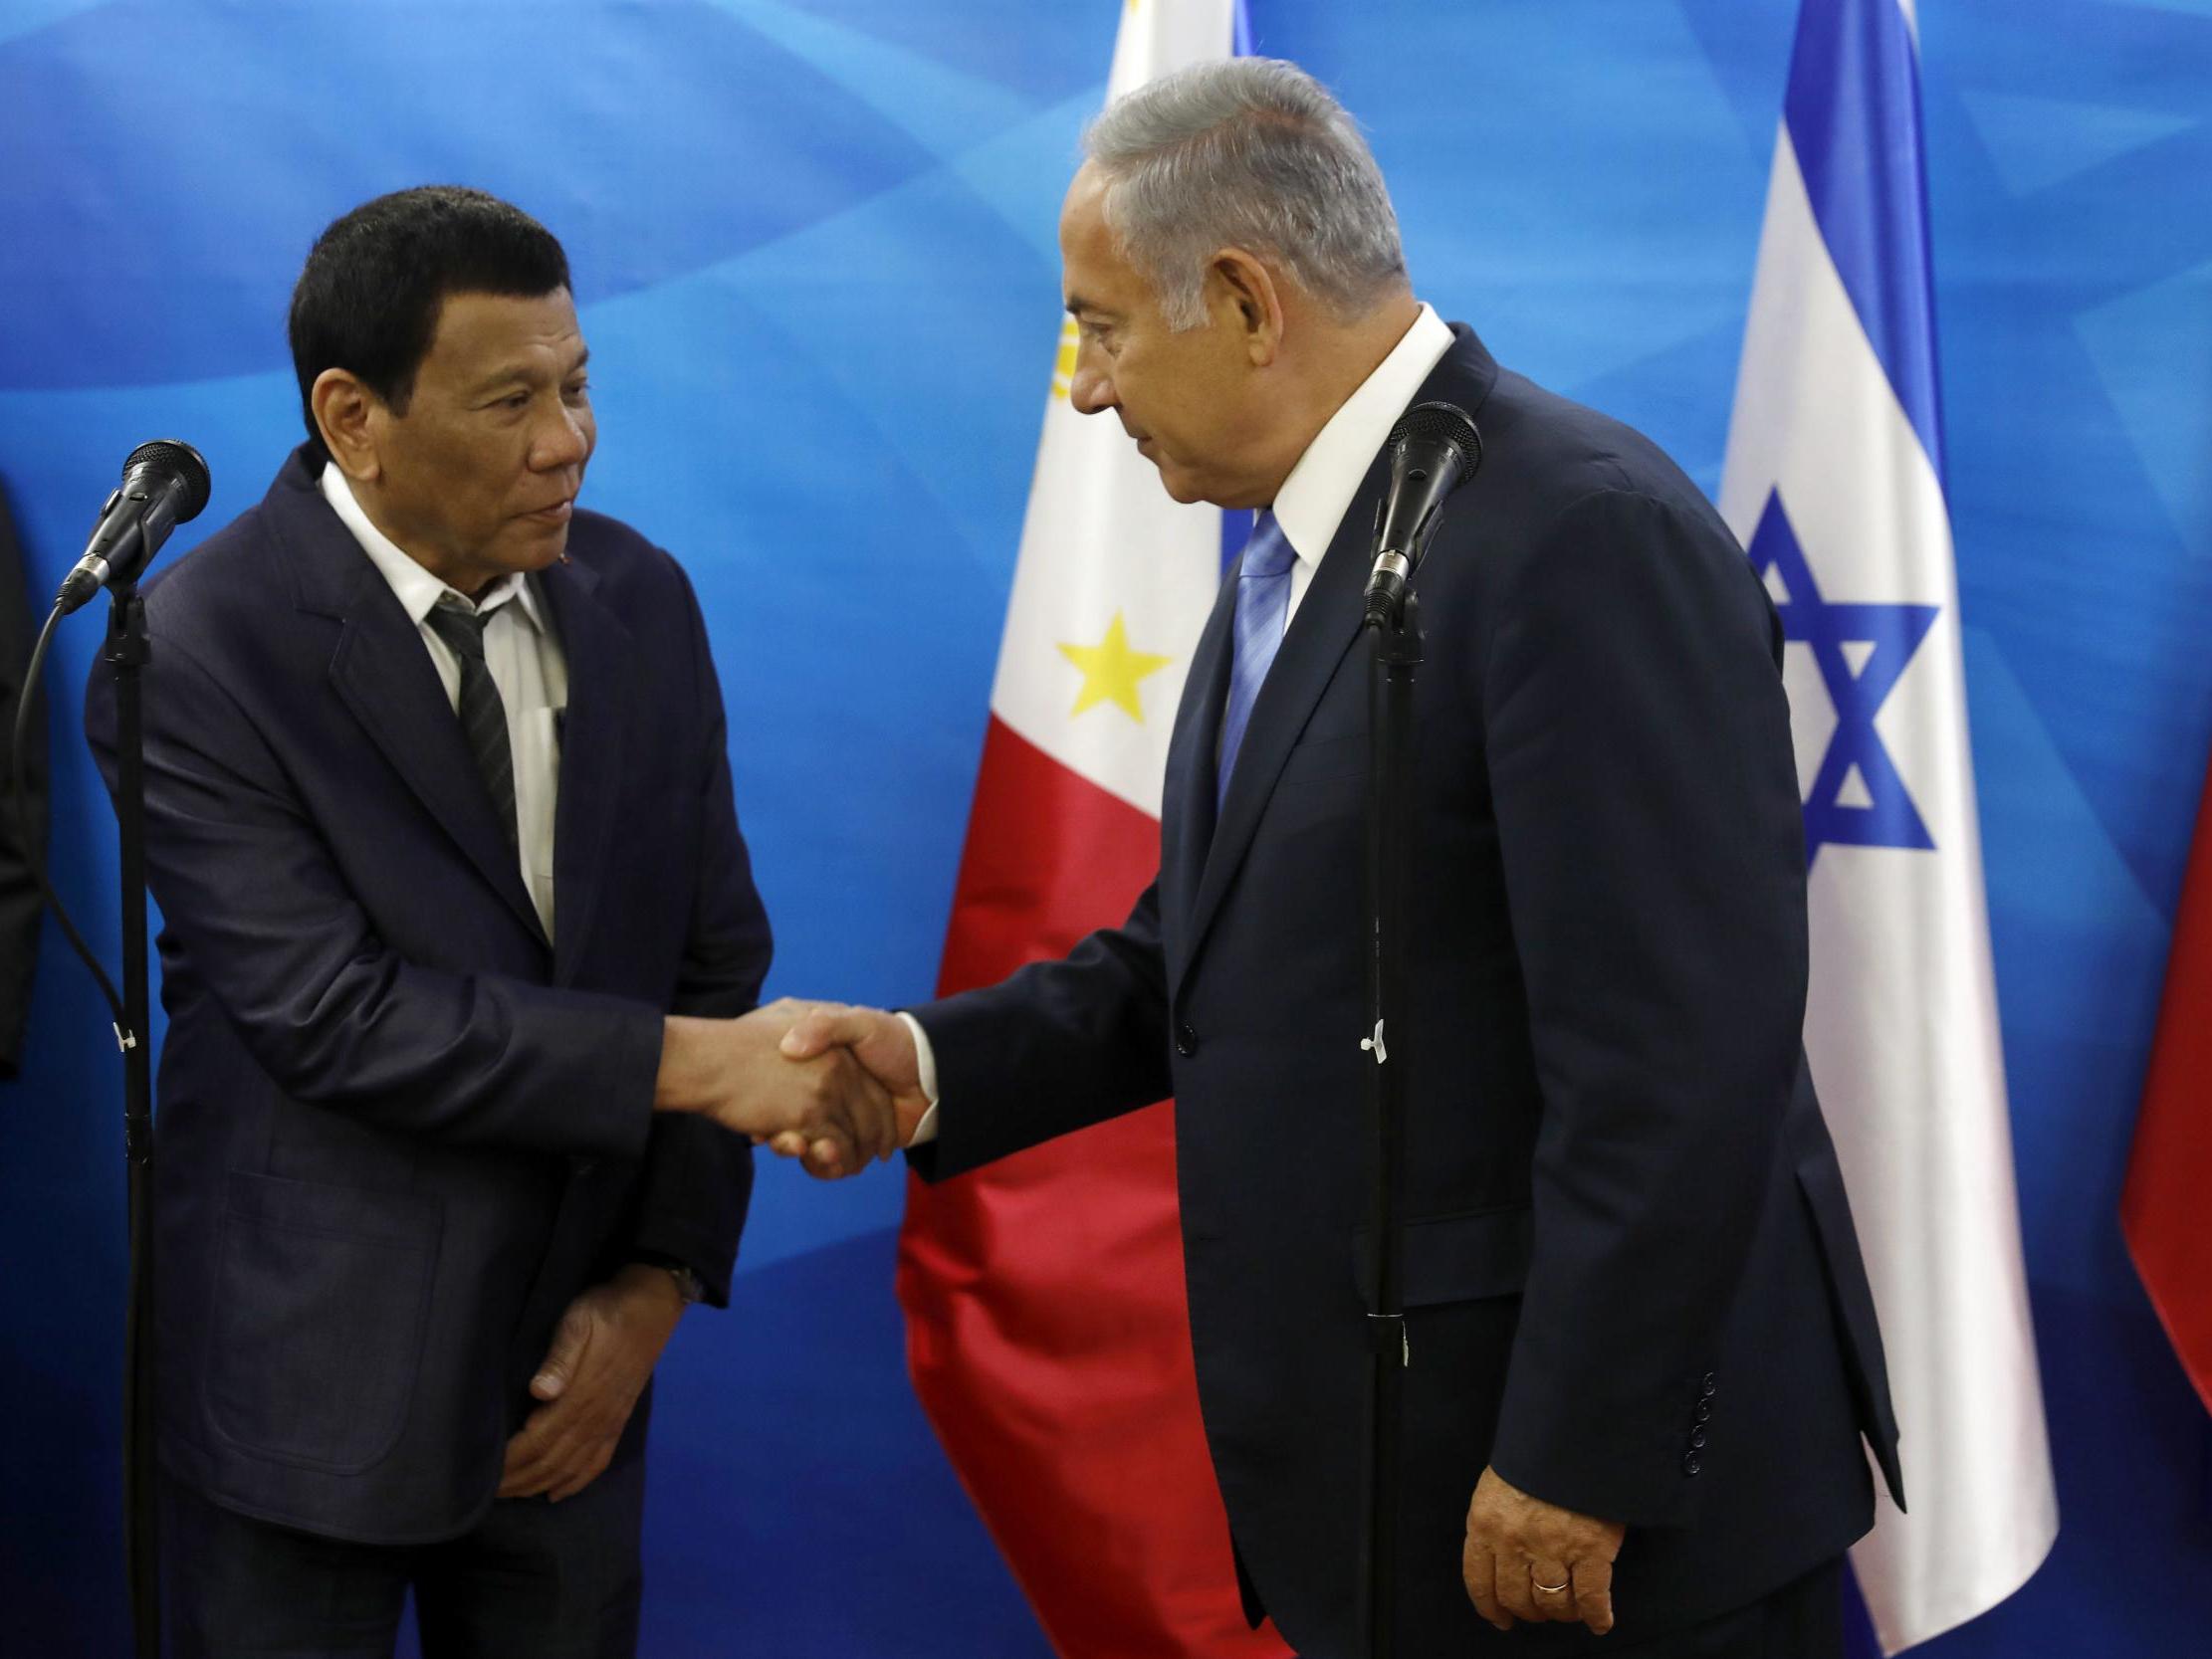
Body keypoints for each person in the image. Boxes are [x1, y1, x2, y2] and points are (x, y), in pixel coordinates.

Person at [777, 60, 1902, 1658]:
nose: (1084, 387)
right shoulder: (1308, 546)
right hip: (1394, 1486)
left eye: (1099, 327)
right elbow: (1216, 946)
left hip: (1591, 1521)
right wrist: (921, 1066)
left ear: (1243, 300)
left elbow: (1678, 1053)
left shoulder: (1579, 534)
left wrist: (1575, 1455)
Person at [84, 186, 895, 1659]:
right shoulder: (200, 649)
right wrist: (694, 1063)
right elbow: (338, 1016)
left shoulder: (640, 597)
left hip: (572, 1396)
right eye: (512, 399)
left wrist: (651, 1291)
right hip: (307, 1411)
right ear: (353, 418)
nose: (567, 440)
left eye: (578, 384)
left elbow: (719, 953)